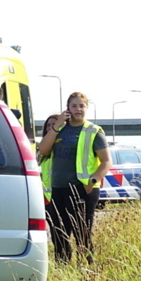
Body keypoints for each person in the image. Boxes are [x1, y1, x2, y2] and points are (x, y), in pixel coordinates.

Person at [37, 92, 112, 262]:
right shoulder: (60, 130)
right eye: (74, 106)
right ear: (68, 108)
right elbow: (43, 150)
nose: (78, 109)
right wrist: (57, 125)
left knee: (82, 233)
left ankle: (86, 269)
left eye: (81, 106)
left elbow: (106, 162)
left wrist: (92, 182)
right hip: (58, 189)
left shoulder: (94, 131)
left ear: (86, 108)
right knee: (59, 233)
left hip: (82, 189)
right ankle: (63, 269)